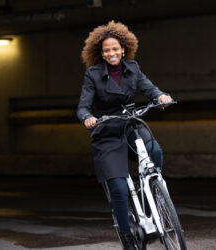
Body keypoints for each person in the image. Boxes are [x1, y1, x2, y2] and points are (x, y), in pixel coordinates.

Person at [77, 20, 173, 250]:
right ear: (100, 53)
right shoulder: (93, 74)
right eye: (106, 50)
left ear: (123, 49)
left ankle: (153, 195)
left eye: (115, 49)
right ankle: (127, 237)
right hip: (106, 130)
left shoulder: (133, 68)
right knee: (119, 189)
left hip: (130, 124)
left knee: (154, 151)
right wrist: (88, 118)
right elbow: (83, 106)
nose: (111, 53)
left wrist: (160, 97)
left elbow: (149, 88)